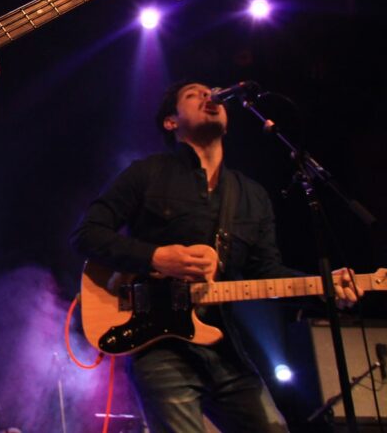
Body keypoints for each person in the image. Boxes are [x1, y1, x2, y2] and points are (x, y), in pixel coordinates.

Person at [70, 80, 360, 433]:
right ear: (171, 121)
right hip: (158, 347)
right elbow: (87, 234)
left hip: (225, 348)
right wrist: (155, 257)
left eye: (212, 92)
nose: (209, 96)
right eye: (194, 94)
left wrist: (324, 287)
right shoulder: (146, 174)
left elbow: (266, 272)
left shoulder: (251, 195)